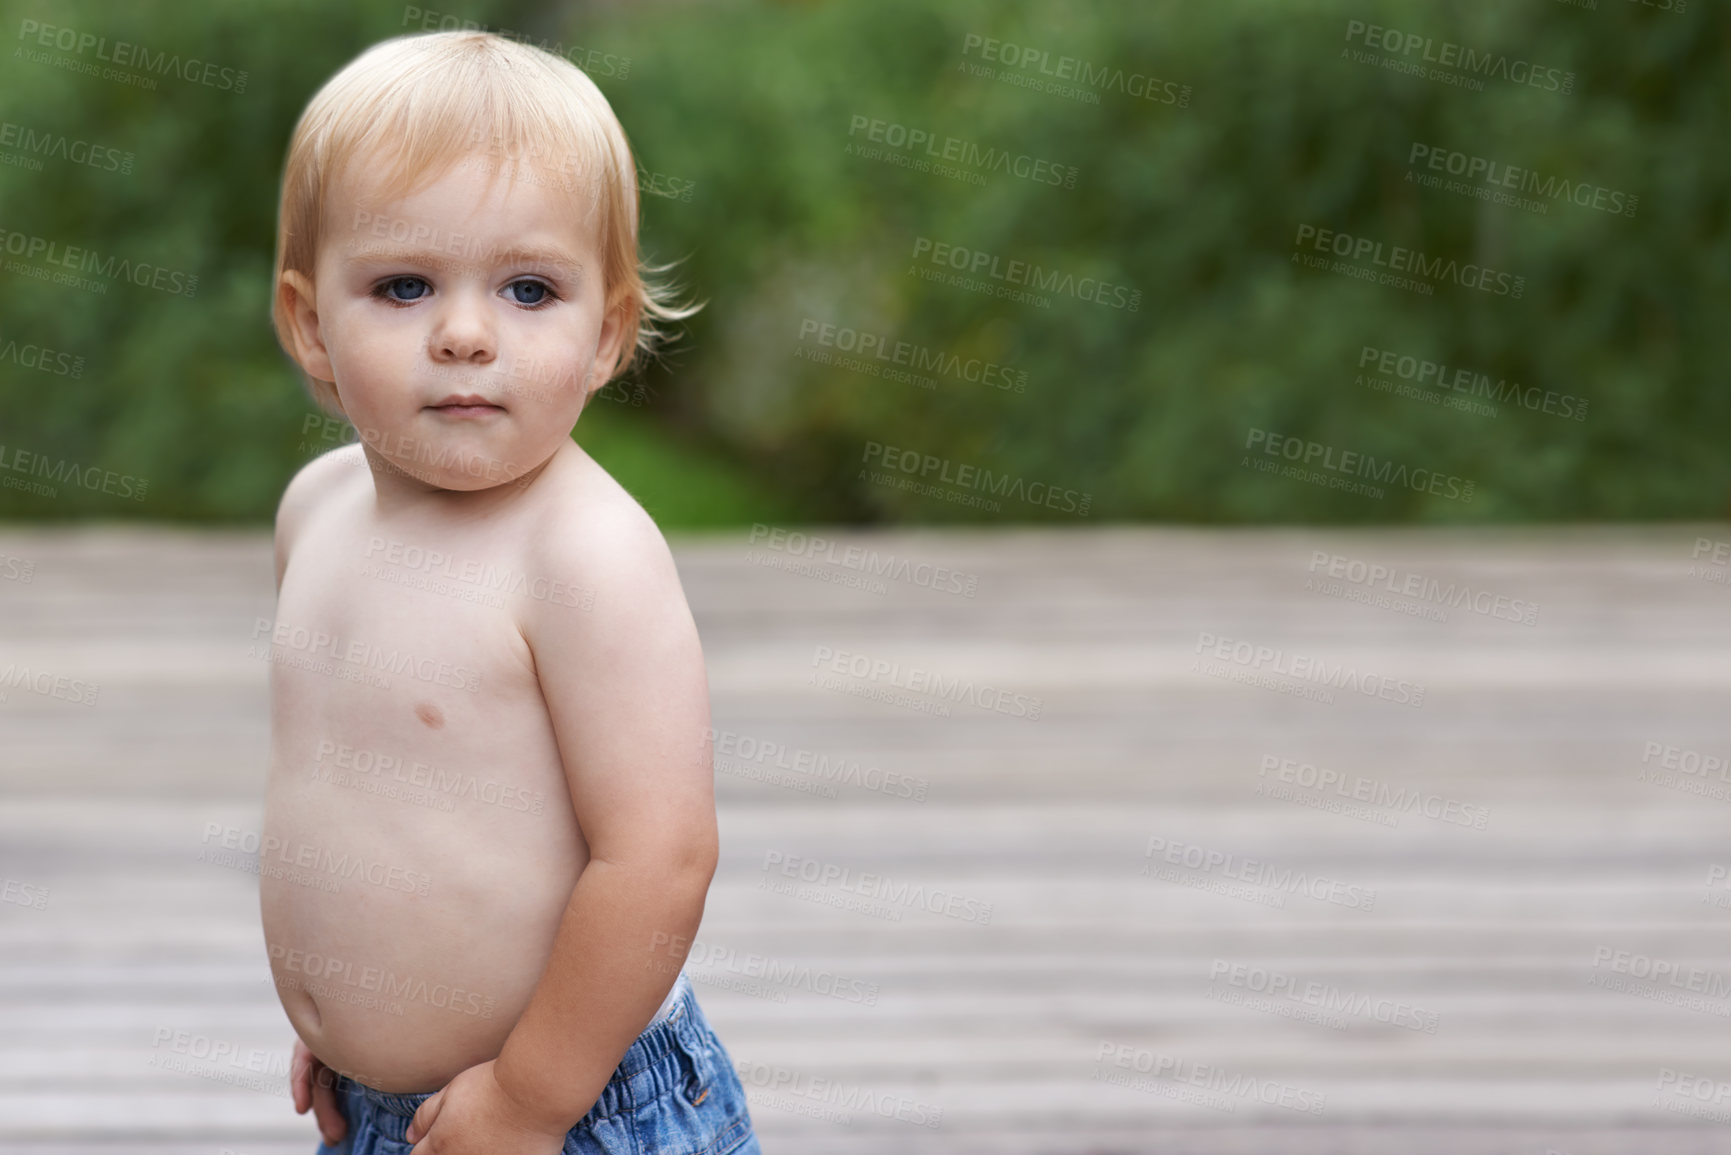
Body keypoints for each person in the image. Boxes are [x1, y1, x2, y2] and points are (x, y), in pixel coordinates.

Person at [260, 29, 758, 1154]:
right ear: (311, 325)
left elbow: (661, 858)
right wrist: (354, 1019)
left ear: (607, 334)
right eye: (403, 286)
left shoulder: (583, 557)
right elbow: (349, 791)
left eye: (529, 288)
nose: (467, 334)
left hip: (569, 1104)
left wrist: (533, 1098)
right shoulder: (316, 513)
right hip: (383, 1108)